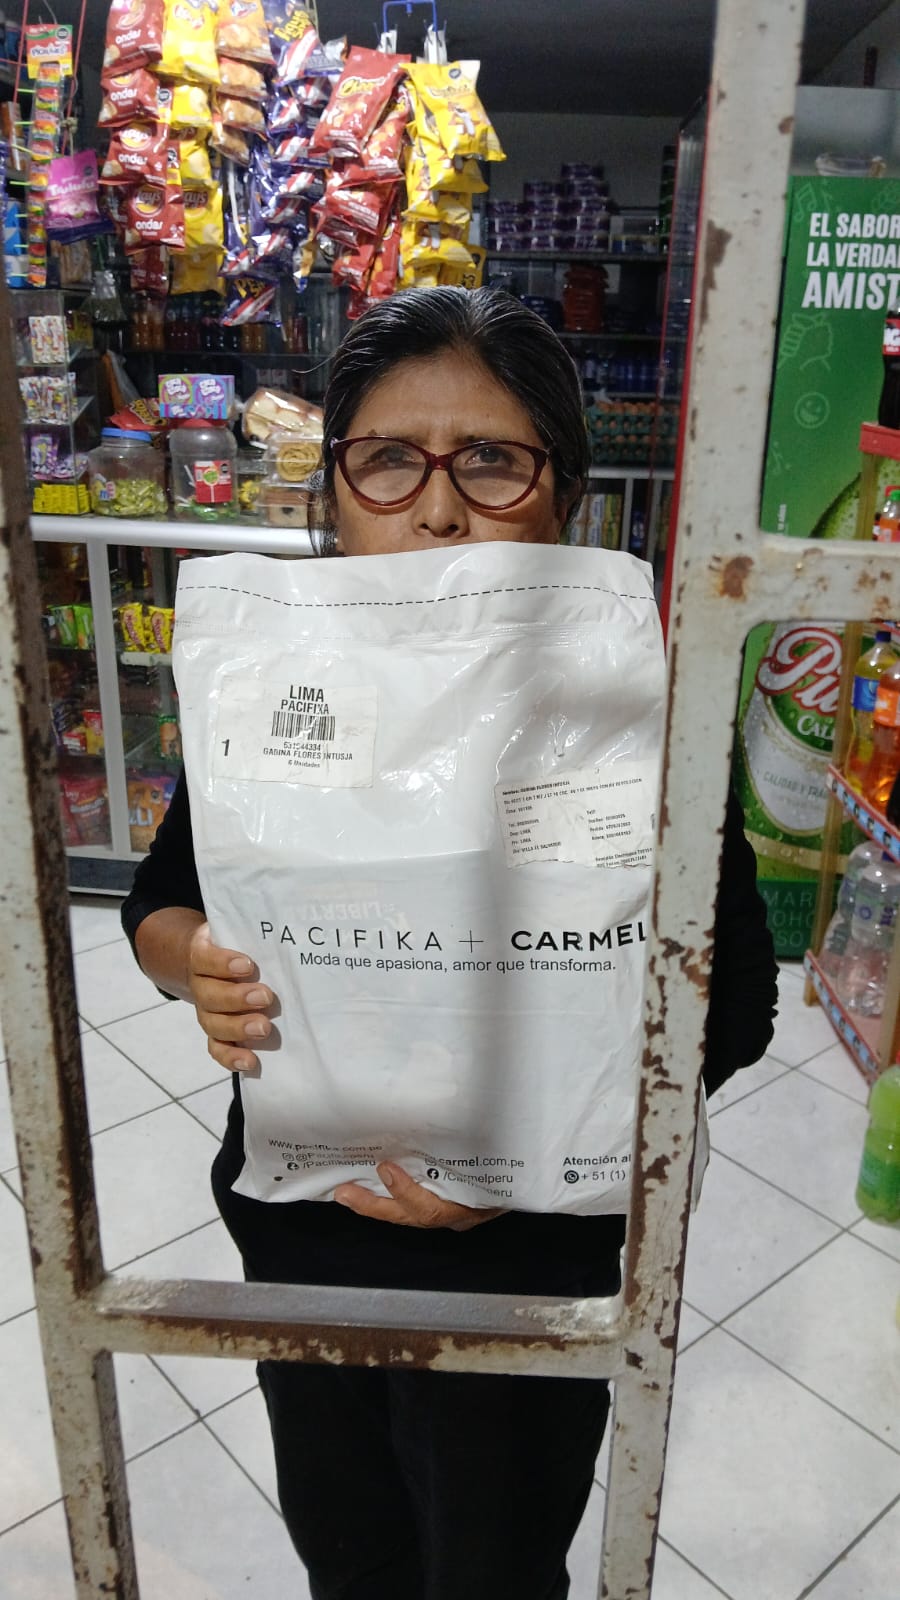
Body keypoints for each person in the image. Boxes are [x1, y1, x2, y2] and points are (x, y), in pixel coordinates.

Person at [122, 286, 778, 1600]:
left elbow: (738, 1000)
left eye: (488, 459)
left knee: (497, 1562)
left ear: (563, 493)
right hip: (310, 1229)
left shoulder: (630, 713)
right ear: (337, 489)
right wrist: (196, 965)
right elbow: (160, 903)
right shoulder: (276, 695)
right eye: (387, 459)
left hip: (532, 1248)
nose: (434, 509)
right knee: (348, 1544)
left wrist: (526, 1147)